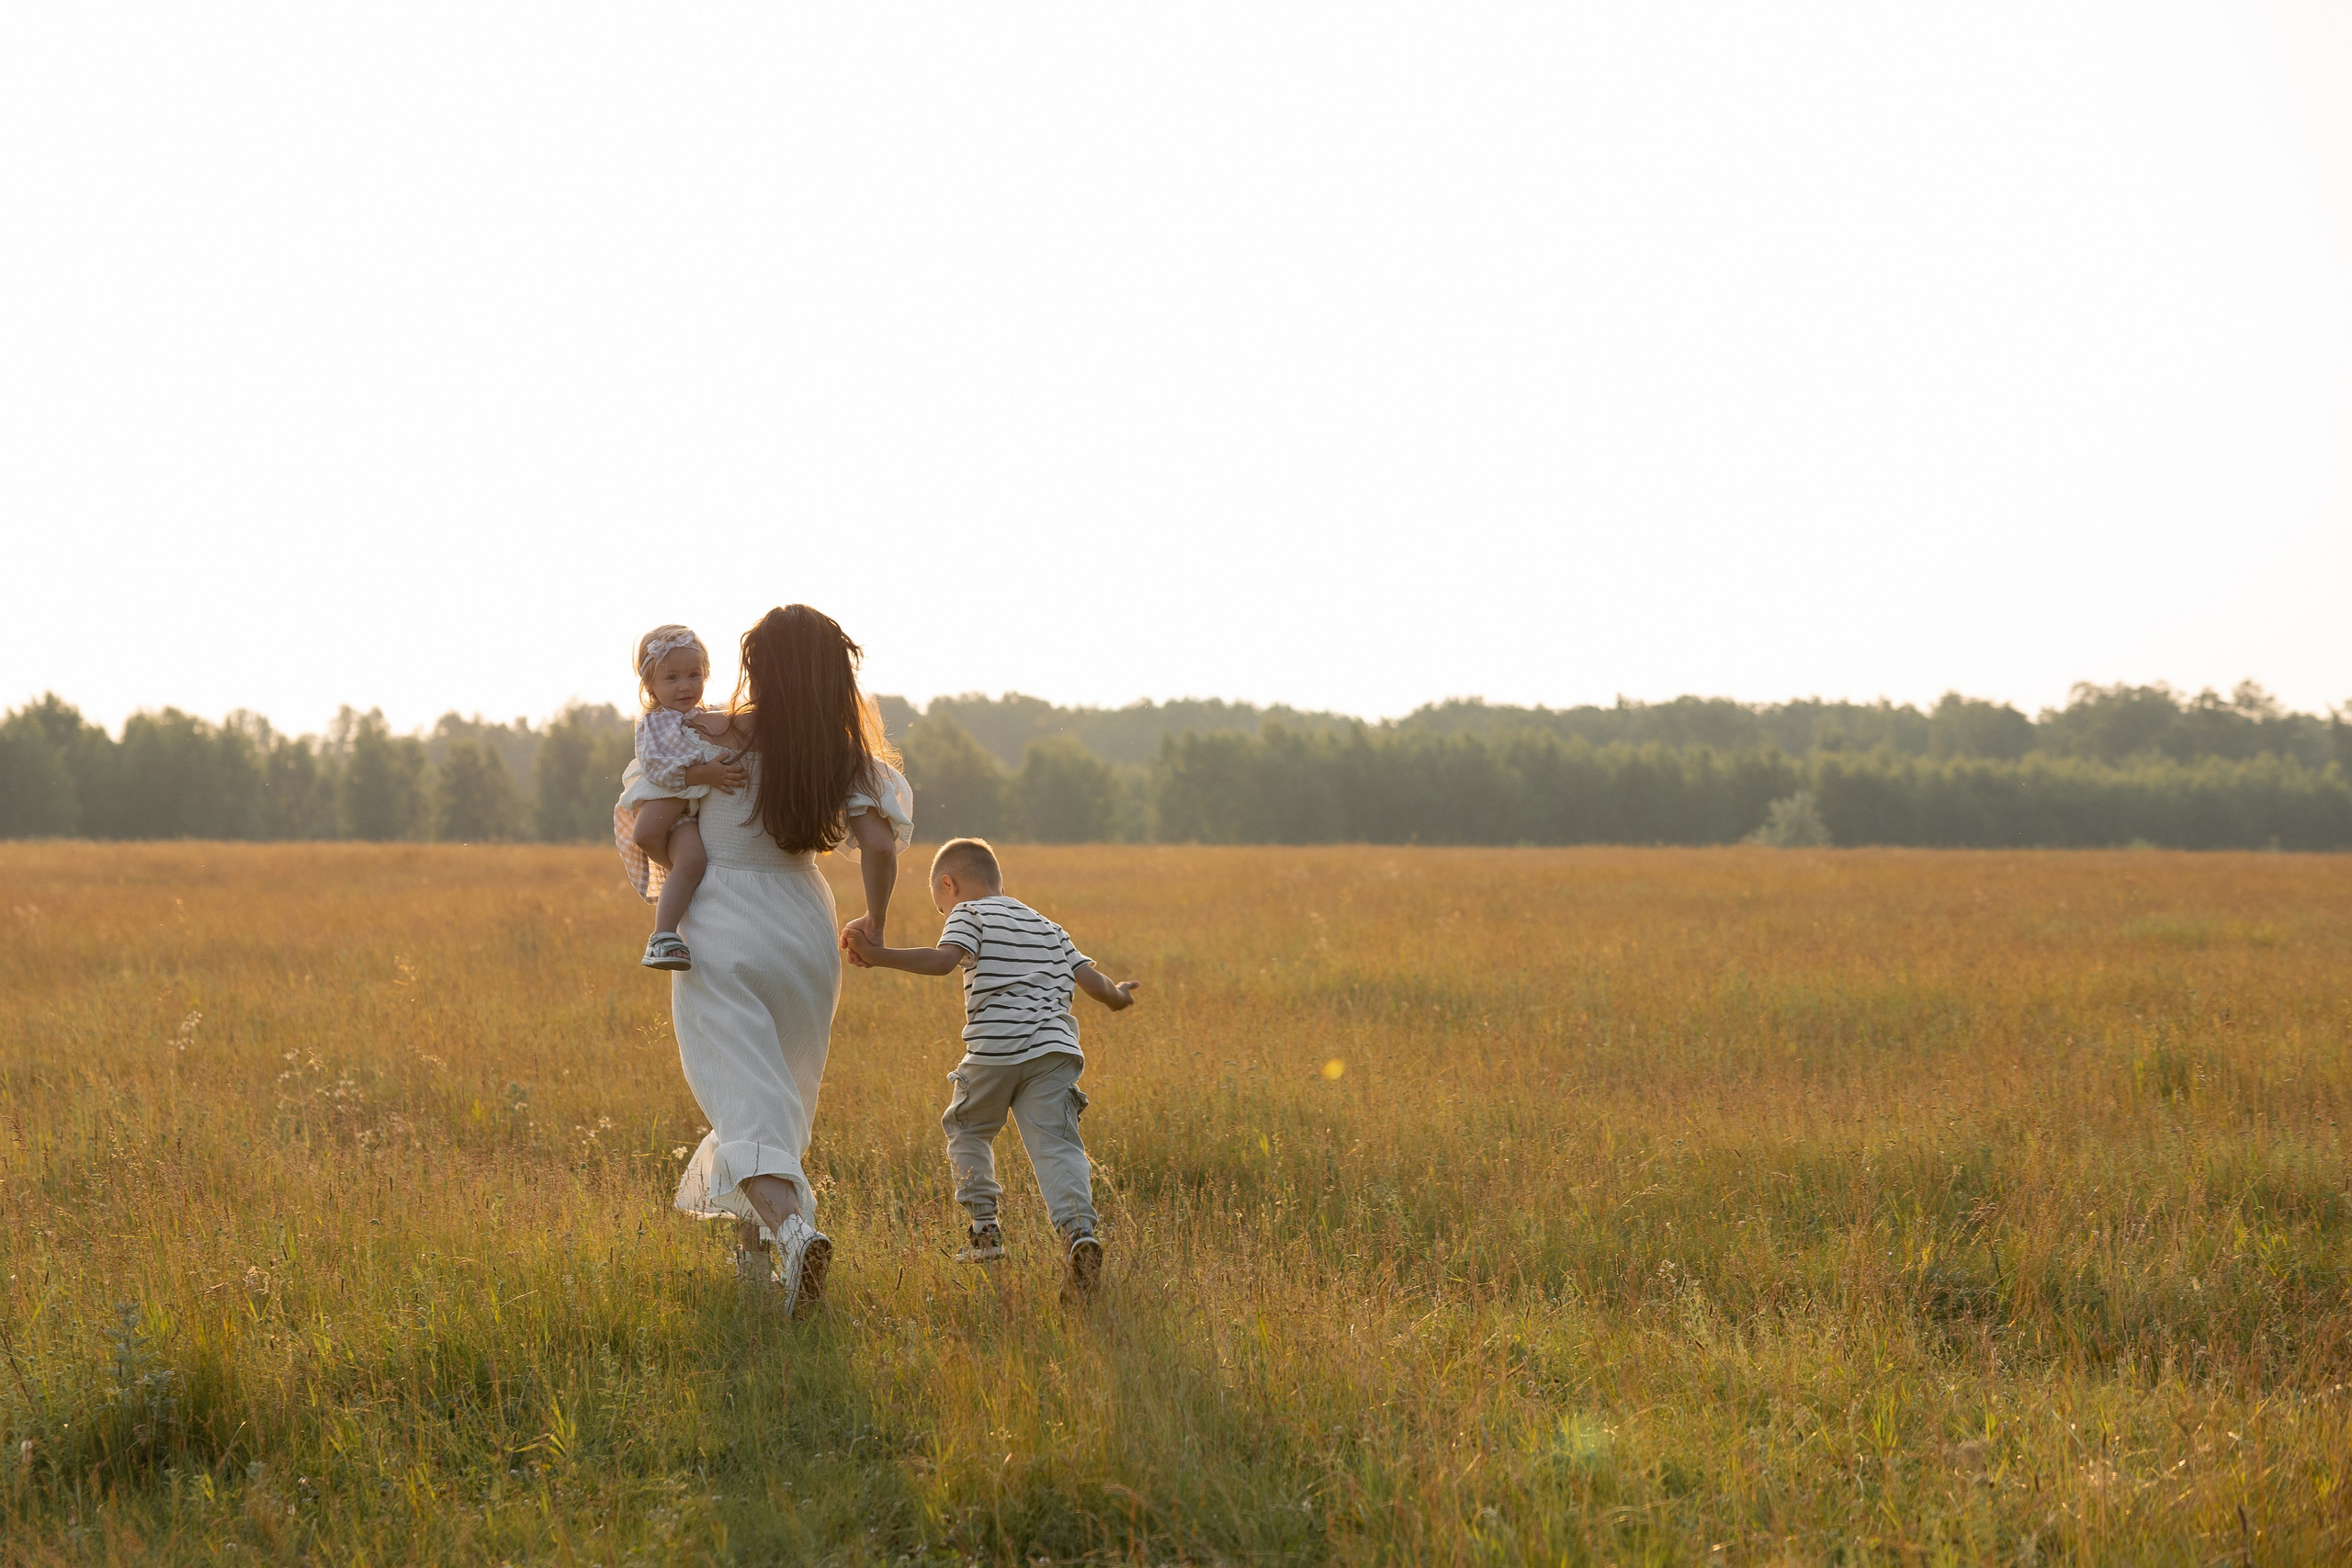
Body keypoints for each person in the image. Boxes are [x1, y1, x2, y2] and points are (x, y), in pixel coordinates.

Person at [667, 605, 913, 1313]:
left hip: (722, 922)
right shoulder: (838, 749)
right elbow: (880, 845)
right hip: (804, 926)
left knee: (746, 1103)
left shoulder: (716, 733)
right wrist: (877, 921)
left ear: (758, 666)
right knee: (779, 1100)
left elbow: (651, 815)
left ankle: (795, 1234)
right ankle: (758, 1271)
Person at [842, 836, 1139, 1295]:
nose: (945, 915)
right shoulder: (1049, 927)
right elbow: (1094, 983)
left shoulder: (968, 913)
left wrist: (879, 956)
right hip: (1054, 1052)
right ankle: (1079, 1235)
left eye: (940, 907)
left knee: (966, 1129)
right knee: (1058, 1146)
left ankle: (984, 1230)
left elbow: (943, 962)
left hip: (995, 1051)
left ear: (949, 884)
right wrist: (1119, 996)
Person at [613, 625, 745, 971]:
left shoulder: (707, 714)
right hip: (671, 806)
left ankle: (689, 913)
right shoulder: (655, 723)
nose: (685, 685)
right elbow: (658, 769)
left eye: (694, 675)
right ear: (650, 686)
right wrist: (705, 774)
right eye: (672, 678)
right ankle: (663, 937)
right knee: (689, 862)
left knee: (694, 866)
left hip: (690, 808)